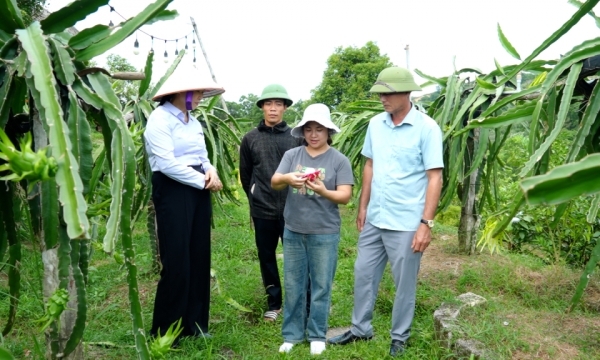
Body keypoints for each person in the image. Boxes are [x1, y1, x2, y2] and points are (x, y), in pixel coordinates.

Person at [327, 67, 444, 357]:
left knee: (404, 282)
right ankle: (360, 329)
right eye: (380, 93)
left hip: (406, 221)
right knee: (363, 273)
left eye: (387, 93)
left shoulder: (427, 128)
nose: (382, 98)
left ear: (407, 93)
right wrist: (362, 206)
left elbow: (435, 177)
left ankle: (399, 337)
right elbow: (370, 165)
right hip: (376, 217)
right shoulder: (375, 124)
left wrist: (425, 223)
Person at [144, 64, 224, 341]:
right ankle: (166, 331)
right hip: (173, 189)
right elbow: (166, 163)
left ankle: (196, 325)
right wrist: (203, 180)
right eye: (197, 91)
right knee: (177, 259)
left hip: (199, 186)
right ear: (181, 93)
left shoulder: (194, 121)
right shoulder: (160, 119)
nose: (201, 96)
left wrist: (211, 171)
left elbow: (202, 156)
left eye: (202, 91)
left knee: (199, 255)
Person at [272, 103, 353, 356]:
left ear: (329, 131)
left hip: (325, 232)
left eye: (320, 129)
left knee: (321, 285)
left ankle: (317, 333)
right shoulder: (292, 156)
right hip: (294, 229)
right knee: (294, 283)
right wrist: (288, 178)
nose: (314, 134)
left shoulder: (339, 160)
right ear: (302, 132)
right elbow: (275, 181)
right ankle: (292, 335)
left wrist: (323, 191)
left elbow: (345, 196)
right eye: (309, 129)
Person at [239, 84, 302, 322]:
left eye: (278, 104)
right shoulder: (250, 139)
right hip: (263, 209)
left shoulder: (296, 137)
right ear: (262, 107)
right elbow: (245, 175)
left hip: (292, 208)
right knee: (266, 256)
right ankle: (273, 303)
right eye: (268, 104)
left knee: (297, 256)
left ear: (285, 108)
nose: (273, 109)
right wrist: (255, 197)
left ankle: (298, 302)